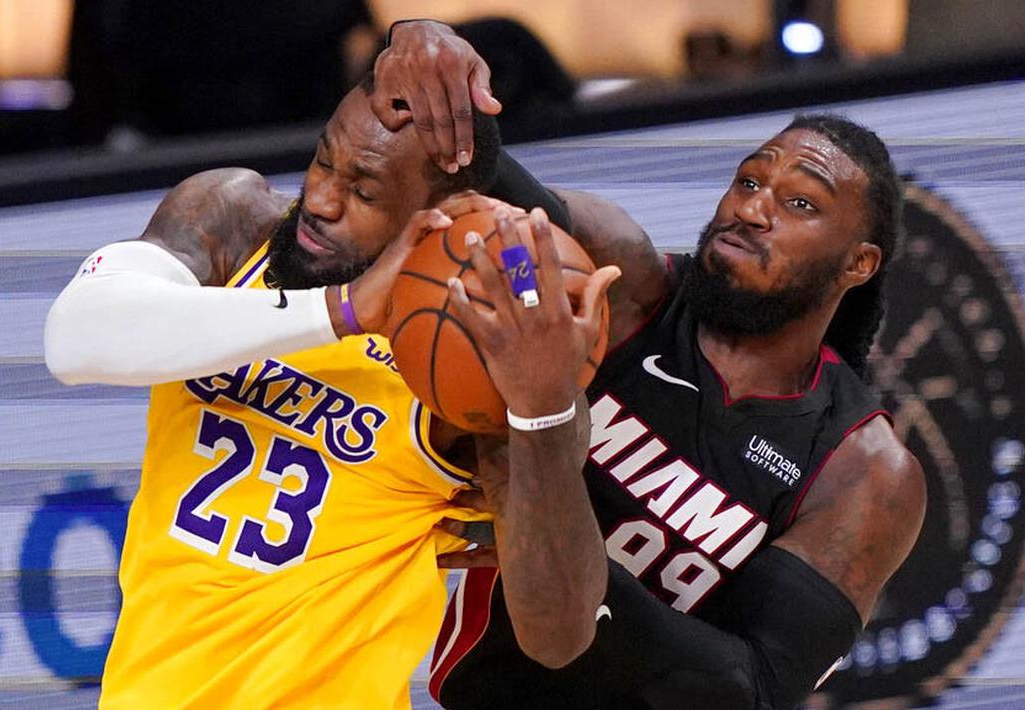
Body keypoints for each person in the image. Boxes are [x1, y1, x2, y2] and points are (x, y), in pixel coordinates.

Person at [373, 21, 926, 710]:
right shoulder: (618, 278)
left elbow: (748, 689)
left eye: (799, 203)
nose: (753, 209)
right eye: (748, 179)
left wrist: (543, 528)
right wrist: (425, 50)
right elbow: (467, 160)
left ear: (858, 263)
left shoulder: (862, 470)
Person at [43, 69, 616, 707]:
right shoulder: (240, 225)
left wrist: (540, 412)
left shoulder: (477, 361)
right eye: (323, 161)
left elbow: (559, 637)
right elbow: (73, 339)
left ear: (439, 215)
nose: (320, 199)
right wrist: (343, 309)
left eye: (364, 193)